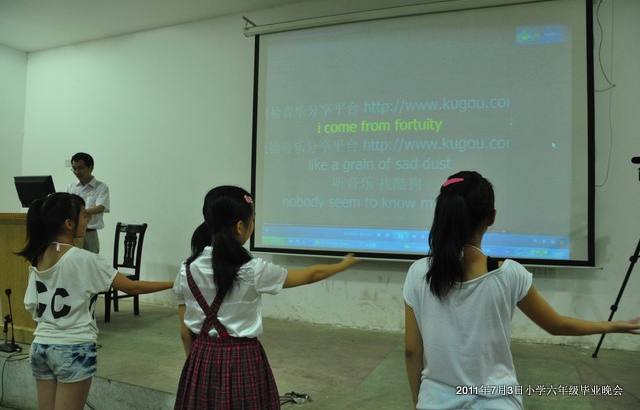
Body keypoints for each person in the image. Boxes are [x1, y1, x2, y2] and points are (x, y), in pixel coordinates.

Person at [403, 171, 640, 410]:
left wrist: (418, 402)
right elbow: (557, 325)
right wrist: (611, 326)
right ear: (491, 217)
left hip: (434, 402)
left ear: (442, 215)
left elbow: (412, 350)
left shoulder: (418, 273)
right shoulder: (509, 274)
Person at [173, 185, 359, 410]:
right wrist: (343, 265)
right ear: (240, 226)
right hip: (242, 360)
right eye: (252, 220)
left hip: (202, 357)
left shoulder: (186, 270)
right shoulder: (253, 270)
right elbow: (312, 274)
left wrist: (196, 364)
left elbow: (185, 333)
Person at [17, 192, 174, 410]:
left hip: (40, 347)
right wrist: (174, 283)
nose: (88, 220)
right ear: (69, 224)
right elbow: (131, 287)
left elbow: (31, 305)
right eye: (84, 215)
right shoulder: (85, 259)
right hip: (73, 347)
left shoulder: (39, 256)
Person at [66, 152, 110, 254]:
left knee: (90, 261)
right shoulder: (71, 187)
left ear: (90, 168)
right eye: (74, 169)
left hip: (90, 233)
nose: (77, 172)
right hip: (72, 233)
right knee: (72, 260)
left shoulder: (101, 187)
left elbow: (100, 207)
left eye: (80, 168)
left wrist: (80, 213)